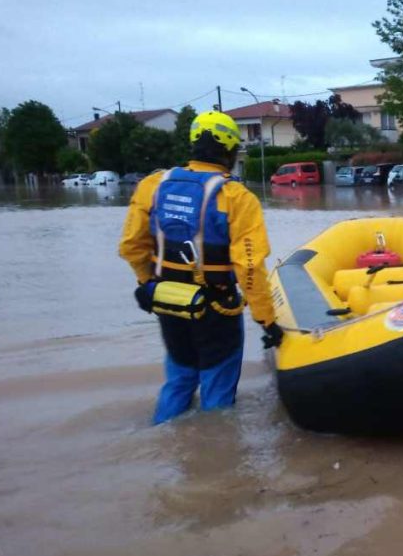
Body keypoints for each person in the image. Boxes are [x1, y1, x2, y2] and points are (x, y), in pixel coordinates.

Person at [118, 110, 282, 424]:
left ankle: (165, 434)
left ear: (194, 143)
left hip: (167, 301)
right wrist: (267, 321)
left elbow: (131, 246)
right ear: (232, 150)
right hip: (216, 309)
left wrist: (146, 284)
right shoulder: (236, 197)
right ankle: (215, 455)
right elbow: (249, 268)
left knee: (179, 375)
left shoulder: (153, 185)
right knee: (217, 383)